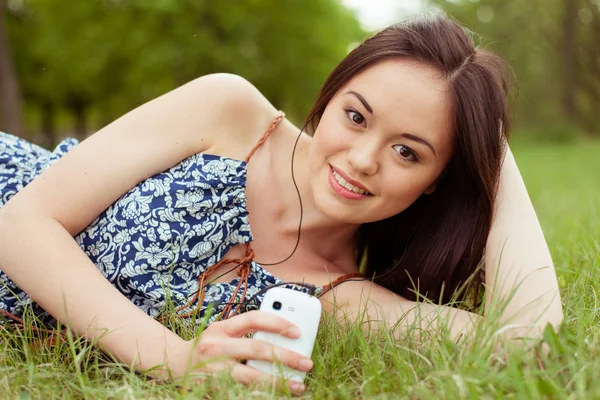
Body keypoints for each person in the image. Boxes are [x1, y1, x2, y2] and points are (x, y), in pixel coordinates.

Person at [0, 11, 562, 396]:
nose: (364, 158)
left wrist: (488, 143)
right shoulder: (232, 113)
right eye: (356, 116)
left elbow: (533, 346)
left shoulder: (339, 297)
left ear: (437, 178)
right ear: (330, 95)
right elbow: (21, 223)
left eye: (408, 152)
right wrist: (176, 360)